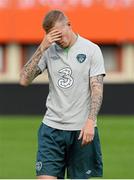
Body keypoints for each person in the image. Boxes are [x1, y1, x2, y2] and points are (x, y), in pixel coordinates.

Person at [20, 9, 105, 179]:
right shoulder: (48, 51)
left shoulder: (91, 50)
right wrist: (41, 48)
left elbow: (97, 88)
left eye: (60, 34)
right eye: (54, 36)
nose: (59, 40)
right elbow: (24, 80)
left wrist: (90, 121)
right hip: (51, 129)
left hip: (81, 131)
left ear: (69, 25)